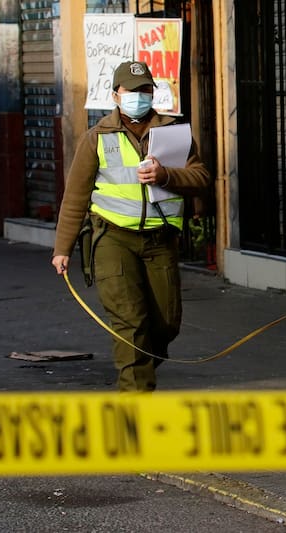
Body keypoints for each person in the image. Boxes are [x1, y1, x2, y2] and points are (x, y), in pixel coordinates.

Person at [51, 60, 211, 392]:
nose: (138, 96)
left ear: (153, 93)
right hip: (113, 239)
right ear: (115, 95)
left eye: (145, 90)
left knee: (166, 323)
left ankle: (136, 367)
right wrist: (62, 249)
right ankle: (134, 400)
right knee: (130, 322)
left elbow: (200, 177)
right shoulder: (97, 137)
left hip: (160, 240)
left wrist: (165, 175)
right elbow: (76, 196)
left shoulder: (173, 133)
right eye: (131, 91)